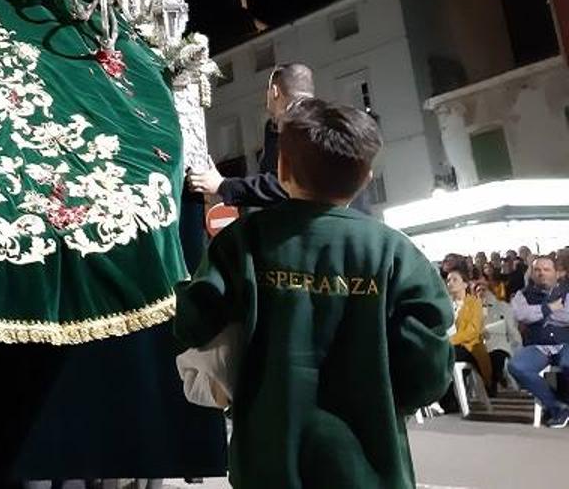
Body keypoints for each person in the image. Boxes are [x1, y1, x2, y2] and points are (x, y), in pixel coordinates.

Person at [174, 98, 452, 489]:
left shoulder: (244, 241)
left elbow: (193, 323)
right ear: (366, 177)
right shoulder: (396, 253)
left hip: (266, 461)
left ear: (282, 167)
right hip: (371, 465)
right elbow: (429, 373)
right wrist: (378, 398)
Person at [185, 63, 314, 207]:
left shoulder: (297, 124)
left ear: (274, 91)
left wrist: (222, 186)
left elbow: (285, 185)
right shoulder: (316, 122)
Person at [507, 254, 569, 427]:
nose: (542, 273)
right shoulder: (522, 294)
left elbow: (567, 316)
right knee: (517, 366)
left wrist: (537, 314)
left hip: (565, 342)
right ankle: (557, 406)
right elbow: (521, 315)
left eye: (547, 269)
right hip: (538, 345)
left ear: (557, 273)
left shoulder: (567, 291)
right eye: (537, 269)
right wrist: (550, 308)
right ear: (532, 273)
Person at [438, 266, 491, 412]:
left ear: (465, 284)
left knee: (444, 354)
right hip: (445, 344)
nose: (450, 283)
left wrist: (449, 341)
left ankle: (446, 399)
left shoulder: (474, 303)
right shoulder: (445, 304)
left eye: (455, 280)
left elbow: (472, 331)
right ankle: (441, 399)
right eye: (448, 280)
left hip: (468, 347)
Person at [475, 278, 521, 395]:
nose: (481, 292)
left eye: (484, 289)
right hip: (479, 344)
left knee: (497, 355)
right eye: (478, 290)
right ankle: (490, 384)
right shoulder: (472, 309)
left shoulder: (503, 307)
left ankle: (496, 378)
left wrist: (517, 343)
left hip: (499, 343)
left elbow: (511, 328)